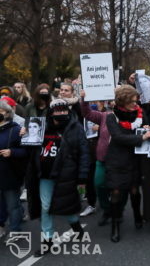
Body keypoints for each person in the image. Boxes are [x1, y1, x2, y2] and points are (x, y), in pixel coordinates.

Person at [26, 99, 89, 257]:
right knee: (45, 207)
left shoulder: (76, 128)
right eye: (57, 110)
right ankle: (48, 239)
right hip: (45, 175)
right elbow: (30, 149)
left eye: (64, 110)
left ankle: (75, 225)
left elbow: (84, 153)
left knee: (66, 204)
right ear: (51, 112)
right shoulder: (41, 127)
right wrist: (25, 135)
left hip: (66, 174)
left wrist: (82, 176)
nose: (61, 113)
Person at [105, 86, 150, 243]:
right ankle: (115, 225)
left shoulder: (139, 112)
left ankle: (137, 215)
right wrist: (142, 138)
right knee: (116, 192)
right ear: (123, 100)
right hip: (117, 159)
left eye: (136, 101)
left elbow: (146, 127)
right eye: (132, 101)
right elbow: (118, 137)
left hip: (135, 158)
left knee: (134, 190)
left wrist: (149, 127)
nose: (135, 104)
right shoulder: (111, 117)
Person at [80, 91, 113, 227]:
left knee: (117, 189)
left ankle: (114, 214)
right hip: (102, 158)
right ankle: (106, 209)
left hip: (118, 159)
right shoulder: (105, 115)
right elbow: (87, 114)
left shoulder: (130, 116)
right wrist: (84, 99)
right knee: (98, 184)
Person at [0, 101, 27, 234]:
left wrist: (12, 152)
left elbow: (25, 151)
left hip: (10, 173)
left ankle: (15, 229)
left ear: (7, 113)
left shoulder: (16, 130)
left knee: (12, 205)